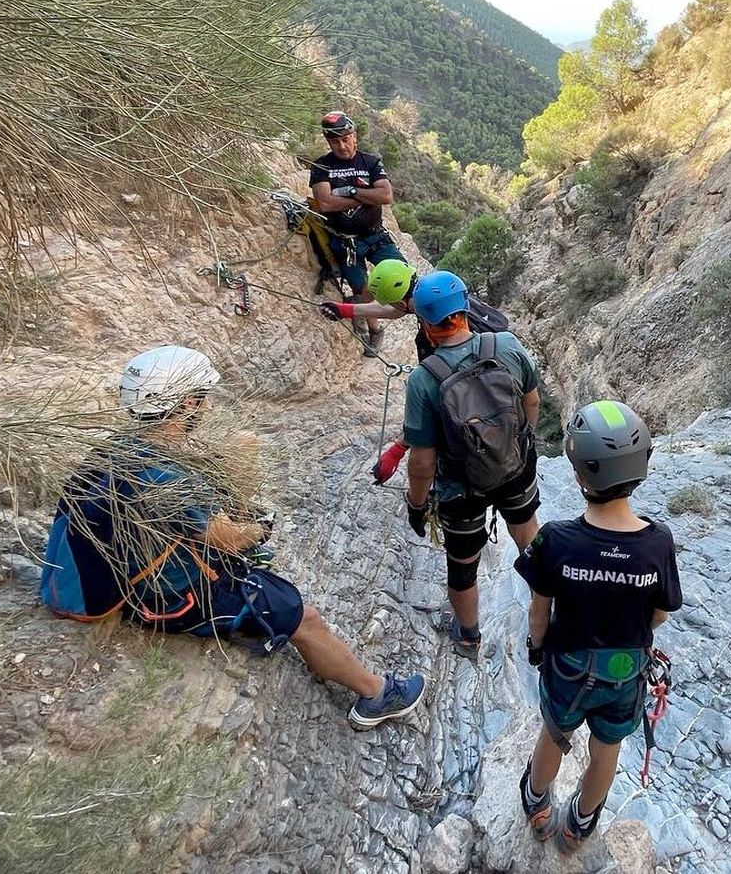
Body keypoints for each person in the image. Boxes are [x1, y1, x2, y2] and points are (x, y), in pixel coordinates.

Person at [40, 345, 426, 730]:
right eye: (201, 400)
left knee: (244, 443)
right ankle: (376, 695)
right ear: (187, 403)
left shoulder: (118, 449)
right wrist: (261, 528)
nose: (206, 409)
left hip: (140, 566)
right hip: (173, 596)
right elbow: (228, 541)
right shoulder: (168, 480)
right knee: (304, 617)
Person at [513, 399, 682, 852]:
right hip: (625, 668)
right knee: (608, 745)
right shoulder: (658, 542)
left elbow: (538, 609)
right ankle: (581, 822)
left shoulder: (556, 539)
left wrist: (536, 648)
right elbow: (660, 615)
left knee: (556, 731)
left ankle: (537, 800)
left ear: (580, 475)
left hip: (567, 661)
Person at [400, 271, 542, 659]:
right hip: (515, 468)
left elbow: (423, 460)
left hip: (459, 488)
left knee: (463, 565)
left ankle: (468, 636)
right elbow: (531, 402)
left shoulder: (424, 380)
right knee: (529, 539)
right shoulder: (507, 345)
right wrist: (519, 443)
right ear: (464, 309)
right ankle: (546, 619)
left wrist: (416, 504)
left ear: (426, 324)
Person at [317, 259, 513, 485]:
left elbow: (437, 408)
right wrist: (345, 310)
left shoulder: (437, 342)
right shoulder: (441, 296)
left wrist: (398, 449)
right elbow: (392, 309)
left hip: (480, 430)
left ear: (403, 304)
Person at [308, 110, 405, 351]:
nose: (341, 146)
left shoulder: (370, 162)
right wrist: (365, 197)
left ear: (355, 136)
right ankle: (374, 331)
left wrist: (349, 192)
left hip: (375, 235)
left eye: (345, 139)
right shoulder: (321, 166)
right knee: (362, 289)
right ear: (329, 142)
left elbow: (385, 195)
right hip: (345, 241)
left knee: (405, 276)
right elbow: (325, 203)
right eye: (335, 141)